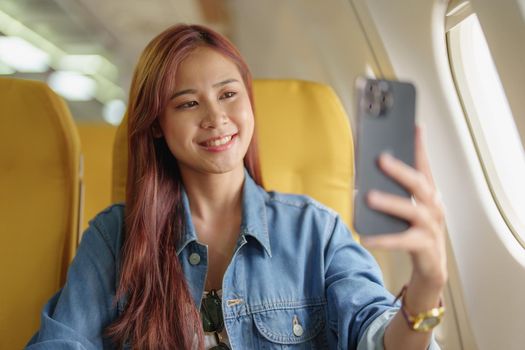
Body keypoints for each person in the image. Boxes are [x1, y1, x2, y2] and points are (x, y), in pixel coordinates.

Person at [27, 24, 447, 350]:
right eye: (189, 103)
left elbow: (379, 340)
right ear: (157, 123)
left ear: (248, 103)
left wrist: (427, 284)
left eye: (228, 94)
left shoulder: (316, 232)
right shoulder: (114, 237)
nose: (215, 117)